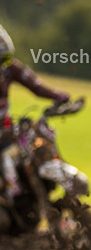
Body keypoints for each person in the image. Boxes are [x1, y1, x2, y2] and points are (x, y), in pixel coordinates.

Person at [0, 24, 70, 198]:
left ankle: (60, 184)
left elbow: (37, 86)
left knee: (39, 143)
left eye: (3, 60)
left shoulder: (10, 69)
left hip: (7, 131)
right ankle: (10, 196)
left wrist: (59, 96)